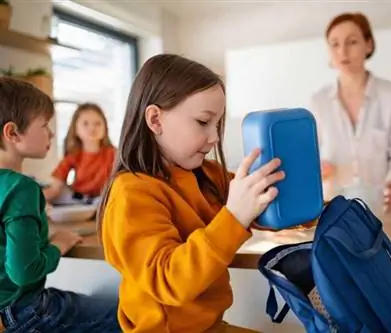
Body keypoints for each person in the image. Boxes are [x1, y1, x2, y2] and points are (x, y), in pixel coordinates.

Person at [97, 54, 285, 333]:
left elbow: (263, 202)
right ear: (155, 119)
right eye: (202, 122)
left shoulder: (207, 174)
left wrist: (316, 206)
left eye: (217, 124)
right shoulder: (131, 193)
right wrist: (234, 216)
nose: (215, 137)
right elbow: (169, 280)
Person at [0, 77, 121, 332]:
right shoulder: (21, 188)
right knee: (129, 312)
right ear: (12, 133)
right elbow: (24, 271)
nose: (52, 133)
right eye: (44, 125)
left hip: (6, 312)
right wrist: (59, 244)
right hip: (24, 312)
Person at [310, 12, 391, 213]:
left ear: (369, 45)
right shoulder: (318, 101)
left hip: (380, 208)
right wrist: (320, 168)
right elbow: (313, 156)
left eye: (352, 42)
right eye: (335, 44)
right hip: (333, 209)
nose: (343, 51)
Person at [43, 103, 116, 205]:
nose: (92, 128)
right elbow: (56, 188)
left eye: (98, 123)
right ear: (75, 129)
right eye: (85, 123)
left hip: (104, 197)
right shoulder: (74, 154)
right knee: (61, 192)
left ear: (105, 127)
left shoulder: (114, 154)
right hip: (78, 197)